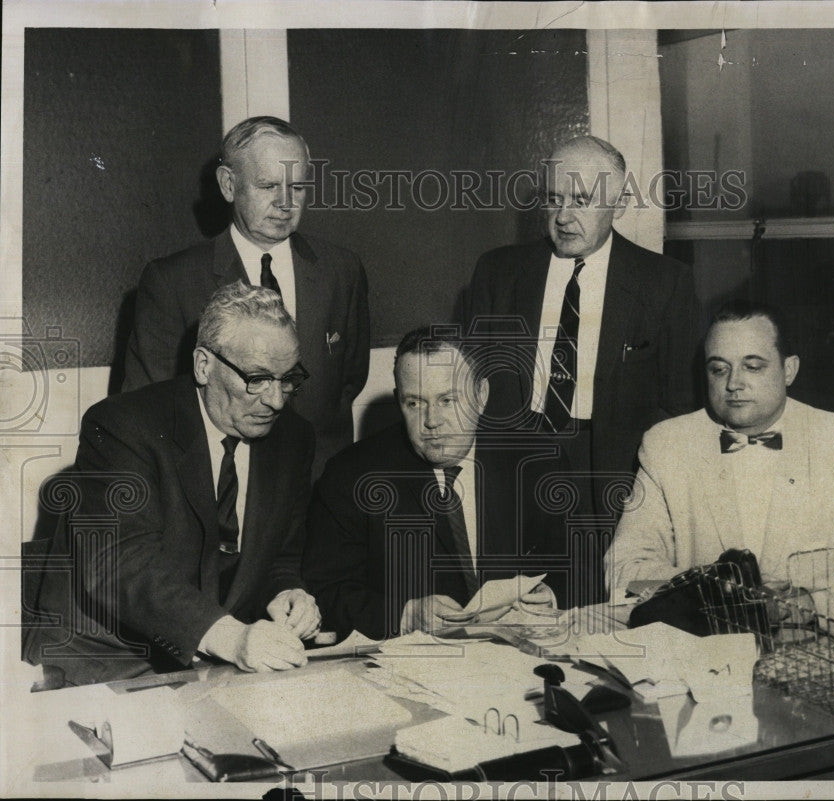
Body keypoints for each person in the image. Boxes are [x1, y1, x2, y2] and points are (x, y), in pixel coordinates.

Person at [24, 282, 321, 687]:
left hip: (210, 662)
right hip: (105, 661)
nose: (276, 401)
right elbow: (120, 564)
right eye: (257, 378)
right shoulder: (121, 427)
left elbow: (281, 554)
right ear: (203, 365)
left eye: (289, 379)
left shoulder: (293, 438)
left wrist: (288, 592)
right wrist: (230, 638)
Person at [123, 115, 370, 477]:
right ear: (228, 185)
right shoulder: (173, 281)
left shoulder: (341, 270)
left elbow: (349, 380)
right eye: (268, 185)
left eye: (297, 187)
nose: (285, 202)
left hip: (322, 486)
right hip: (224, 487)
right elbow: (145, 405)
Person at [467, 135, 700, 517]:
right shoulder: (497, 273)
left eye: (581, 200)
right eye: (554, 199)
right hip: (516, 472)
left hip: (617, 476)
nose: (562, 217)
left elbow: (681, 405)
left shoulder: (665, 283)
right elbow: (473, 381)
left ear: (620, 204)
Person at [303, 328, 572, 641]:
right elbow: (324, 589)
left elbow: (583, 563)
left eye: (448, 400)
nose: (432, 421)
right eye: (415, 403)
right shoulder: (351, 475)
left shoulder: (538, 461)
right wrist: (403, 615)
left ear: (482, 395)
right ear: (397, 401)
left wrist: (550, 595)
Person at [604, 300, 834, 596]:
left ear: (789, 370)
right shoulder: (667, 445)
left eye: (752, 366)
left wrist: (810, 607)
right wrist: (713, 591)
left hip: (814, 636)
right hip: (706, 638)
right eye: (719, 369)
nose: (734, 383)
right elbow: (625, 568)